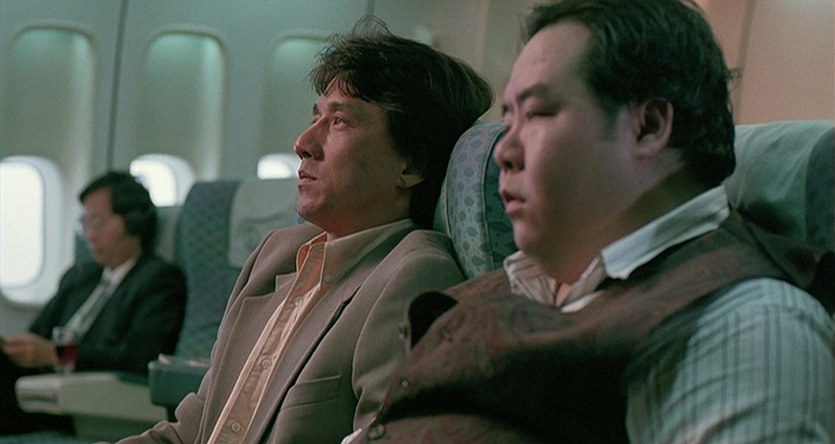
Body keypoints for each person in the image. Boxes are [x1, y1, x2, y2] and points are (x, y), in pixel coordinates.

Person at [343, 1, 835, 443]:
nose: (504, 153)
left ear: (648, 127)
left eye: (537, 113)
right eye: (507, 121)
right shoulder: (510, 287)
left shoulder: (745, 328)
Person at [116, 17, 493, 444]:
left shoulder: (415, 276)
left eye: (340, 121)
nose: (302, 143)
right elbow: (196, 429)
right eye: (316, 116)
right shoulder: (275, 255)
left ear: (412, 164)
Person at [1, 171, 187, 436]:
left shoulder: (159, 280)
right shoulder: (79, 276)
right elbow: (37, 333)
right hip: (35, 385)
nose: (89, 234)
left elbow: (138, 357)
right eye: (85, 224)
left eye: (97, 222)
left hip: (83, 402)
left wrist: (59, 354)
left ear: (133, 222)